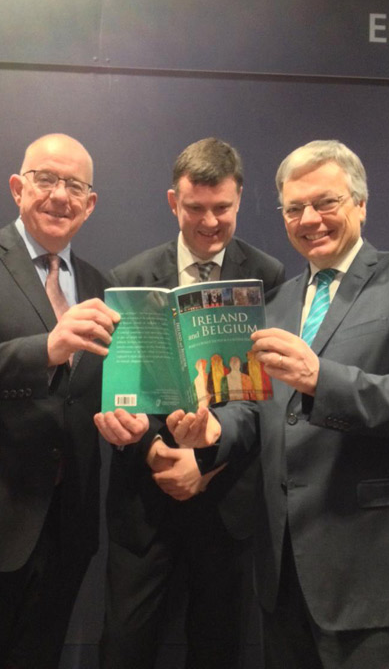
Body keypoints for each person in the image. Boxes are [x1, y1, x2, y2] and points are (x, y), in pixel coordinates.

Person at [165, 140, 389, 669]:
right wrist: (212, 435)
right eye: (294, 208)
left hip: (370, 572)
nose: (310, 219)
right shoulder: (277, 301)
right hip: (282, 571)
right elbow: (259, 410)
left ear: (360, 204)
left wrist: (320, 378)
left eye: (326, 202)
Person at [0, 133, 124, 669]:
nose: (60, 195)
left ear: (90, 203)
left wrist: (128, 422)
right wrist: (47, 348)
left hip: (64, 533)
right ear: (18, 188)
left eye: (75, 186)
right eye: (46, 179)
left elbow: (94, 397)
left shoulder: (100, 287)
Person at [97, 137, 285, 669]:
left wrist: (204, 463)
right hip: (144, 498)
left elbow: (266, 397)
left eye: (221, 207)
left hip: (226, 498)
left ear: (239, 200)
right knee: (126, 647)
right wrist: (159, 453)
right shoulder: (128, 278)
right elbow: (123, 391)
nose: (209, 221)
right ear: (172, 201)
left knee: (219, 647)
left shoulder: (268, 277)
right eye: (195, 207)